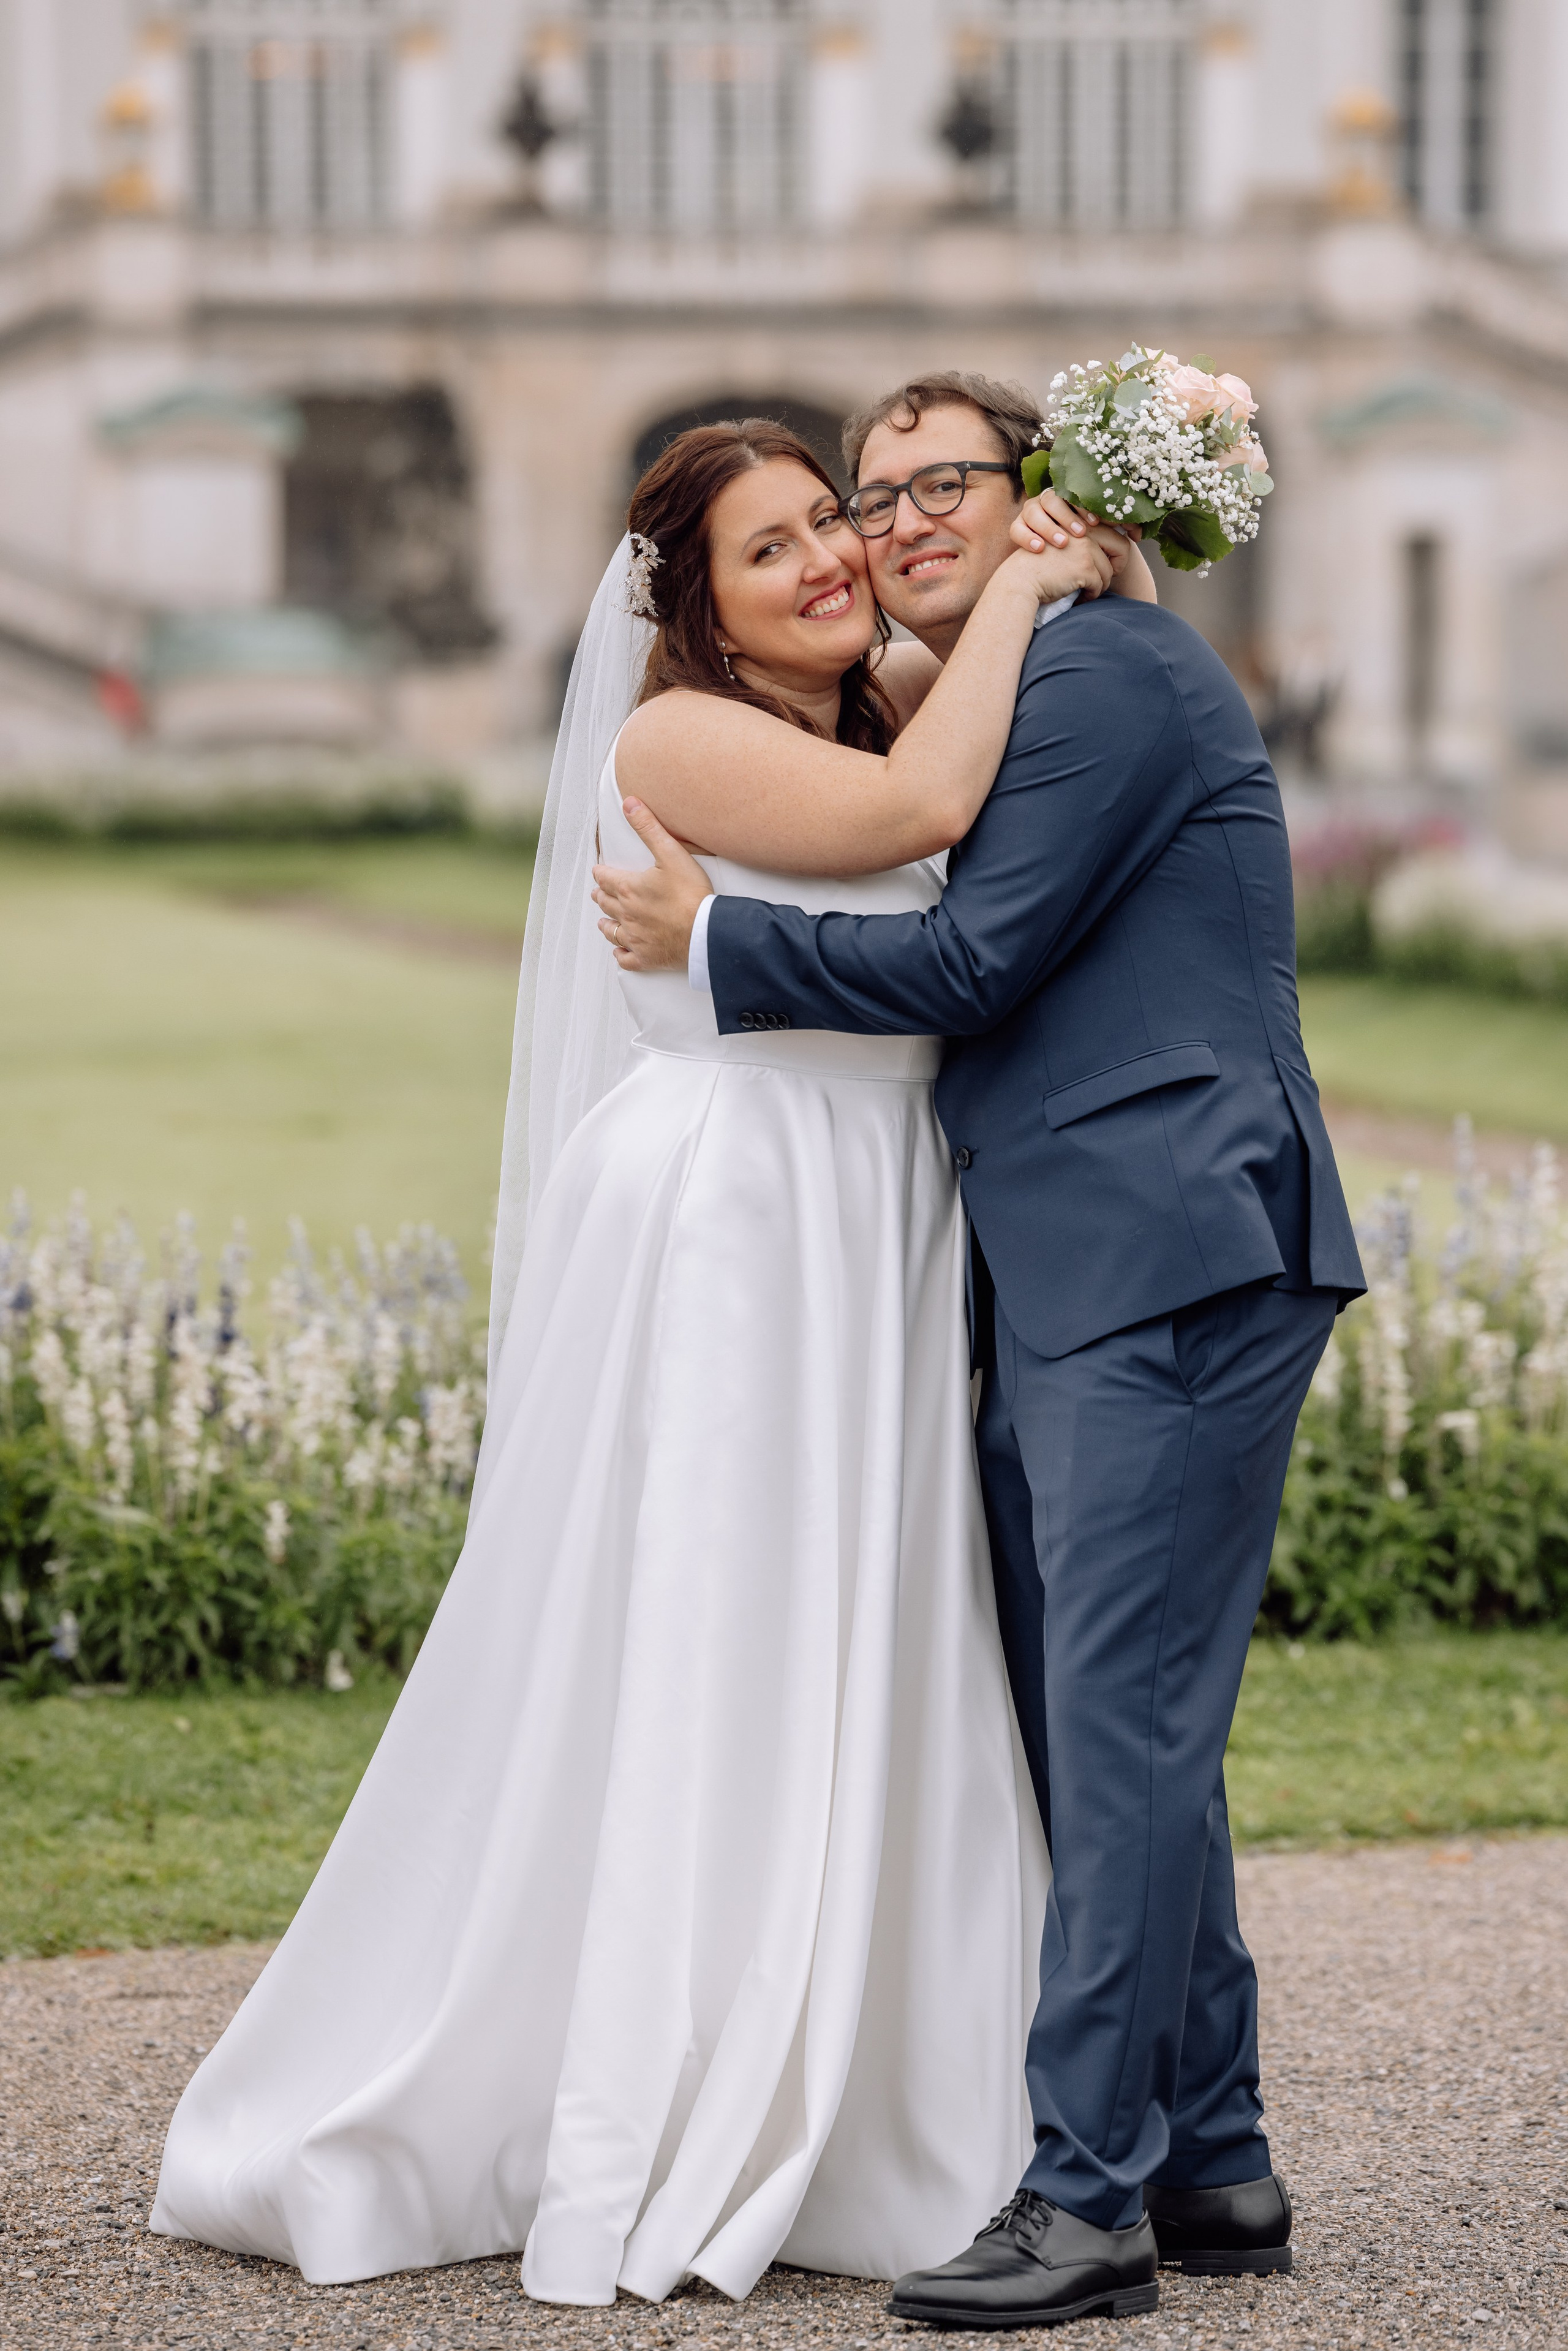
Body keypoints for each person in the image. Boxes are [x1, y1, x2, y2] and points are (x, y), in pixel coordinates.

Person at [148, 413, 1150, 2309]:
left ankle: (881, 2083)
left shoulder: (878, 701)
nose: (833, 562)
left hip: (876, 1223)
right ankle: (652, 2069)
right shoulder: (681, 739)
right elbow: (922, 822)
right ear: (688, 607)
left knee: (867, 1630)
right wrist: (1021, 566)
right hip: (744, 1226)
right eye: (772, 552)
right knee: (720, 1630)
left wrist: (1079, 559)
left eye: (829, 526)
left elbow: (970, 787)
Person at [594, 371, 1368, 2330]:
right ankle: (1212, 2152)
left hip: (1174, 1252)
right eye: (877, 490)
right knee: (1118, 1732)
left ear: (1045, 501)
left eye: (950, 482)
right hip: (1076, 1264)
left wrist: (714, 949)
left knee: (1116, 1736)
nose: (897, 520)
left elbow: (971, 958)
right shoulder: (1007, 680)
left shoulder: (1102, 675)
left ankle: (1087, 2200)